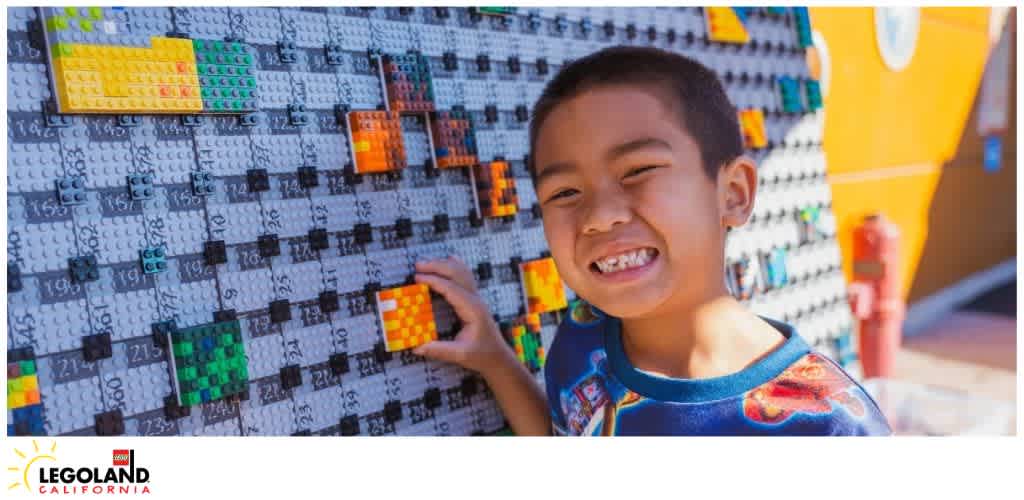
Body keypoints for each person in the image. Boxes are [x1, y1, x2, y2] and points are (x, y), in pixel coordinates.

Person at [412, 46, 891, 436]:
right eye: (564, 193)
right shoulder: (582, 338)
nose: (599, 216)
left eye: (638, 170)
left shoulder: (829, 429)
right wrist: (495, 359)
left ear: (733, 194)